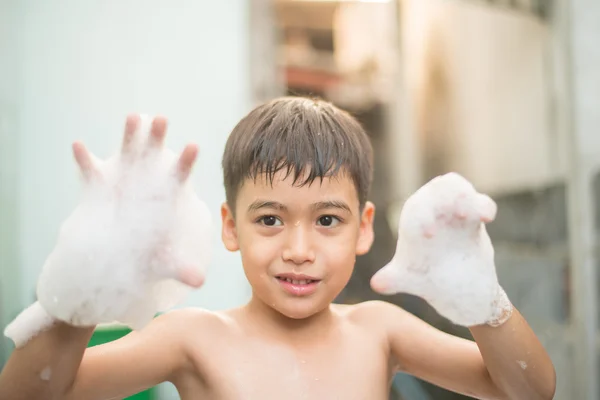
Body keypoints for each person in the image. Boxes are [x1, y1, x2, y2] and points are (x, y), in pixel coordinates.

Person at [0, 97, 556, 400]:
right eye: (269, 219)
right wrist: (78, 292)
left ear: (363, 229)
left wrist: (485, 300)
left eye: (327, 221)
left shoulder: (380, 331)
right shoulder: (193, 338)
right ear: (230, 226)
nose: (298, 248)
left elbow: (529, 392)